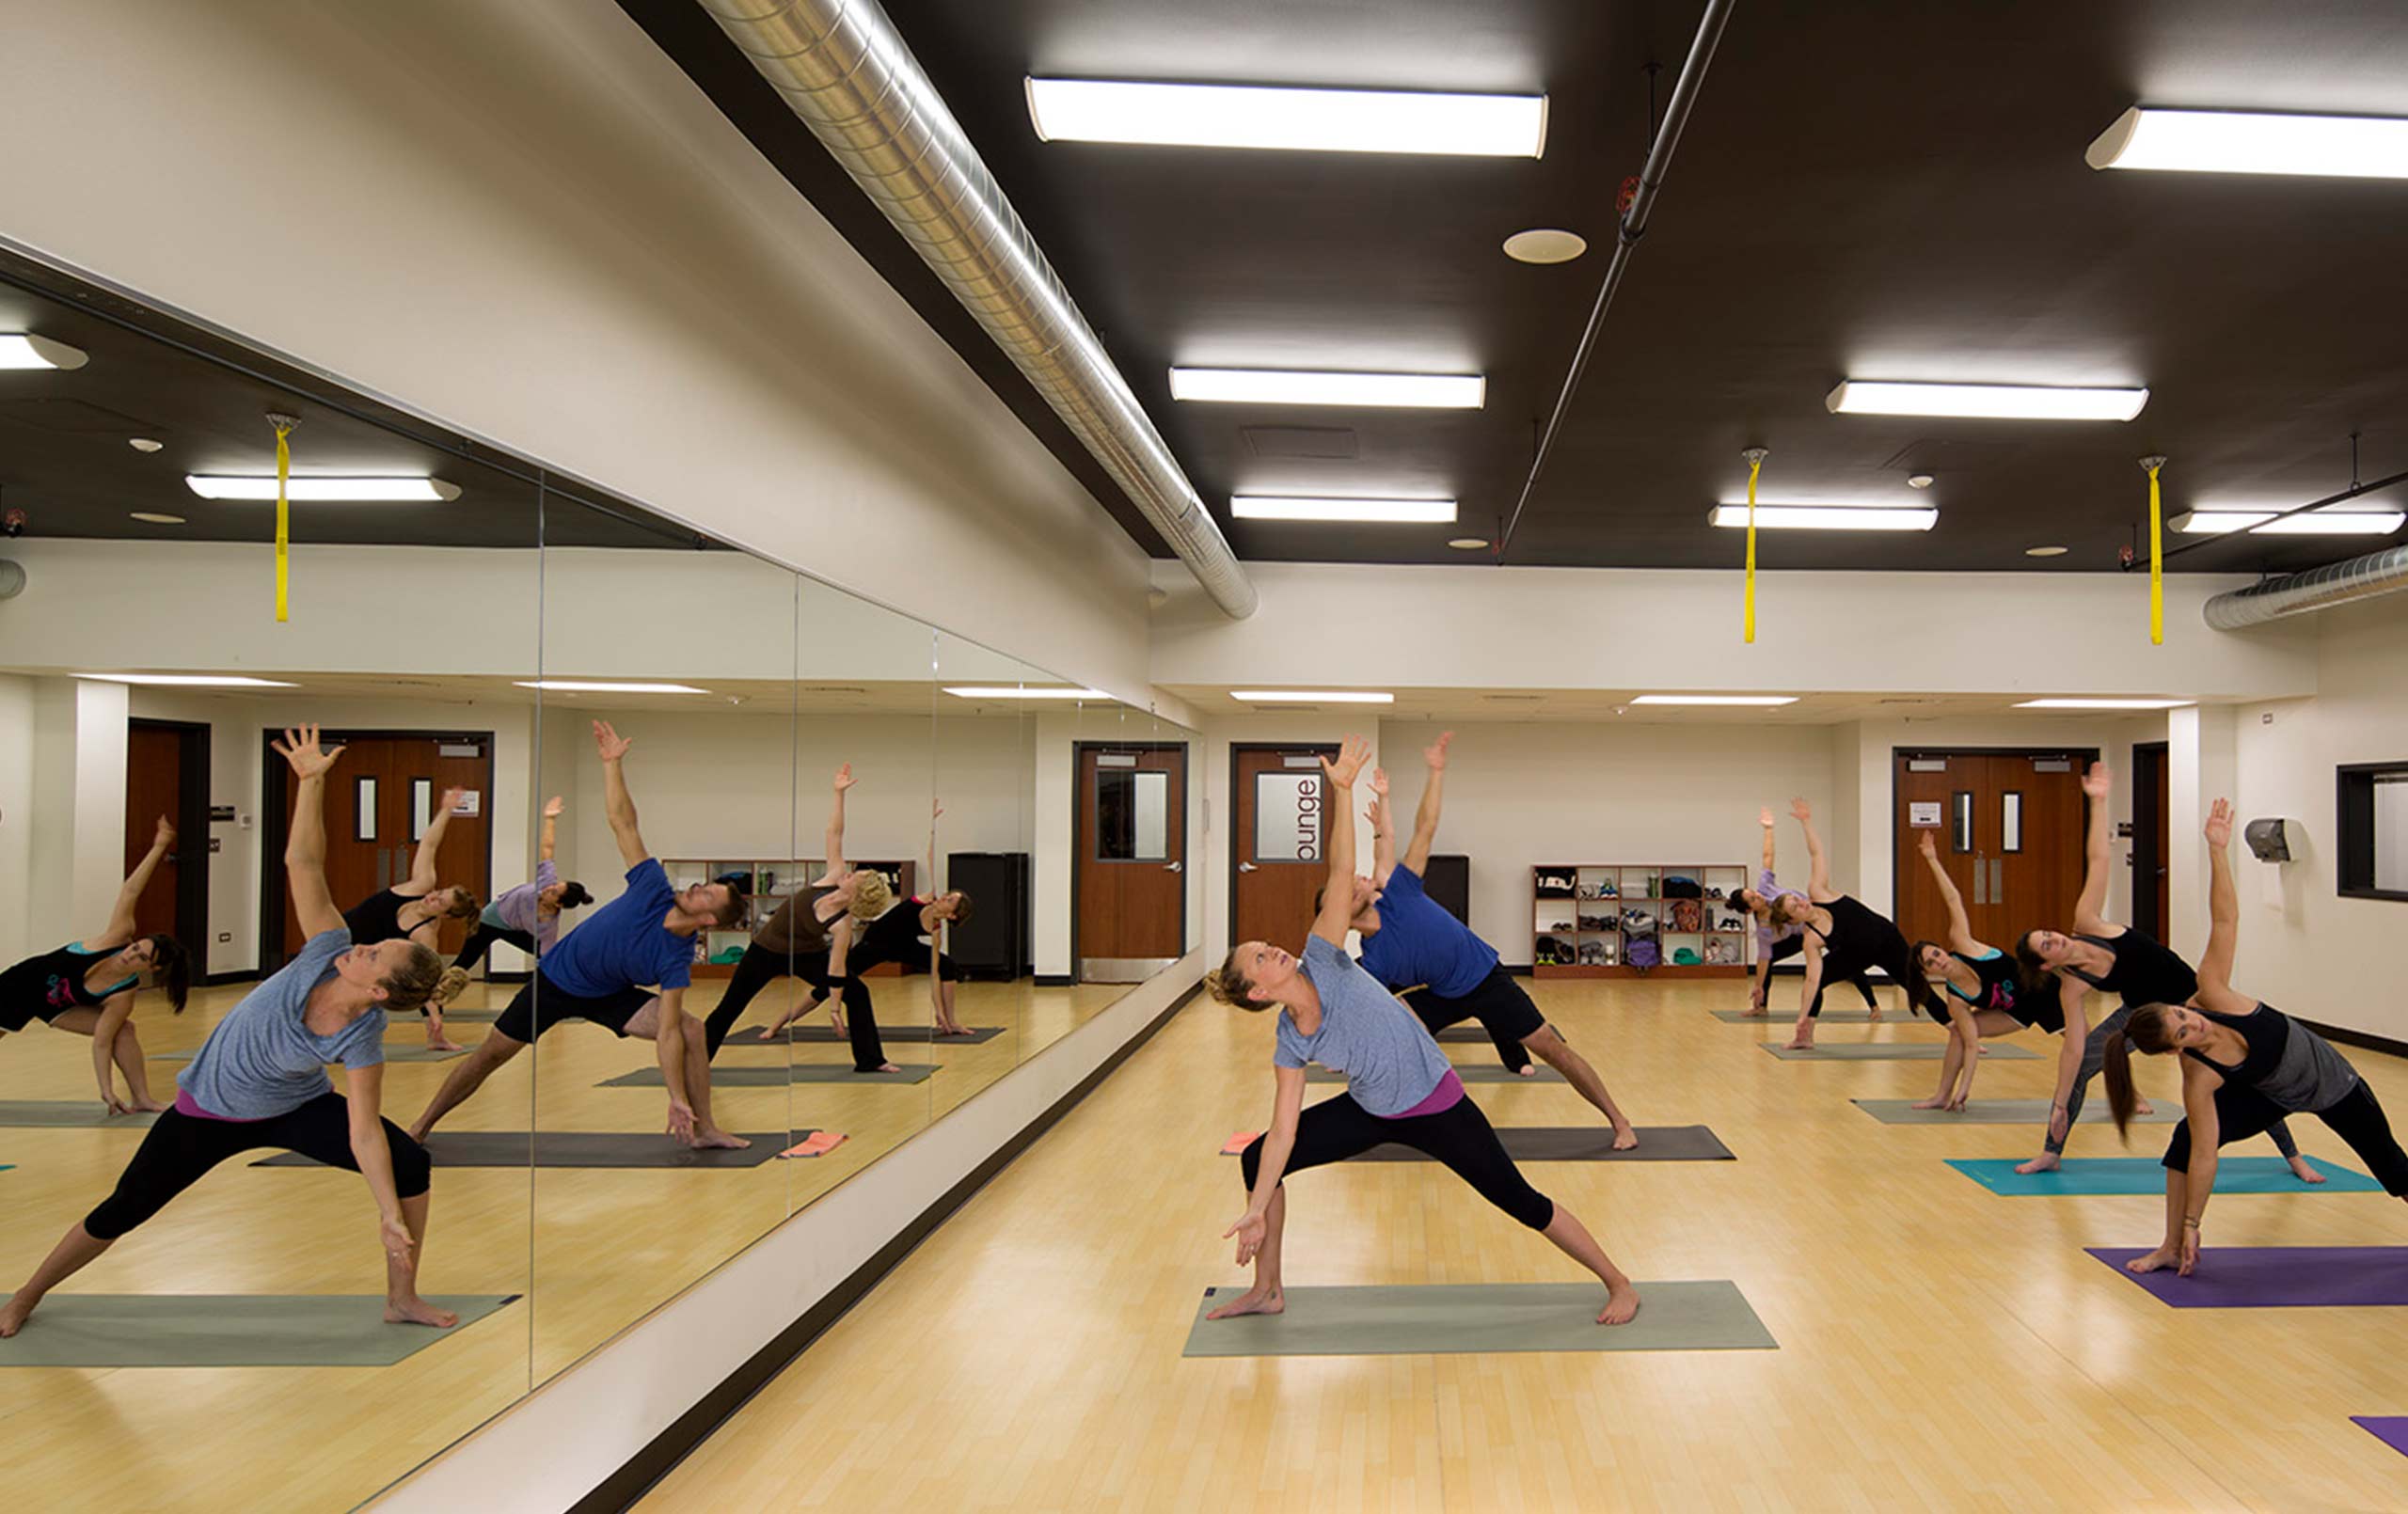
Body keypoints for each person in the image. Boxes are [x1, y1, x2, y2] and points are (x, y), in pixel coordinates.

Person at [0, 725, 452, 1339]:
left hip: (293, 1109)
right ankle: (26, 1295)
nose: (366, 945)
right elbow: (304, 861)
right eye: (374, 943)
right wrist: (312, 785)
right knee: (123, 1209)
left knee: (409, 1163)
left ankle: (402, 1295)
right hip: (205, 1113)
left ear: (378, 993)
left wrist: (386, 1213)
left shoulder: (361, 1039)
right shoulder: (326, 948)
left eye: (377, 955)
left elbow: (364, 1133)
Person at [1203, 735, 1641, 1328]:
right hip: (1372, 1109)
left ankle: (1619, 1282)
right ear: (1257, 992)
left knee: (1520, 1201)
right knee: (1258, 1158)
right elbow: (1283, 1130)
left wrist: (1342, 793)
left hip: (1437, 1105)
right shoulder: (1290, 1040)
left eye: (1266, 947)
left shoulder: (1325, 958)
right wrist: (1257, 1208)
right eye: (1260, 959)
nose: (1272, 951)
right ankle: (1268, 1288)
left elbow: (1338, 869)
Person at [408, 721, 751, 1148]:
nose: (696, 887)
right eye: (703, 884)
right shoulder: (653, 888)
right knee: (490, 1056)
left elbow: (667, 1032)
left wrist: (675, 1098)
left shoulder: (676, 959)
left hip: (609, 995)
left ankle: (704, 1128)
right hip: (555, 981)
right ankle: (420, 1126)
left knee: (691, 1029)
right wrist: (612, 765)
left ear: (710, 922)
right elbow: (623, 823)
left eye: (706, 894)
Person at [2104, 799, 2408, 1276]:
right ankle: (2167, 1246)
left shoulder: (2215, 995)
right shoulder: (2198, 1076)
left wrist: (2217, 851)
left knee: (2393, 1169)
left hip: (2331, 1083)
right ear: (2175, 1050)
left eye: (2184, 1014)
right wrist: (2192, 1224)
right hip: (2272, 1093)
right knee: (2186, 1139)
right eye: (2184, 1032)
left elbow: (2225, 921)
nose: (2196, 1022)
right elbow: (2206, 1154)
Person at [2009, 763, 2314, 1180]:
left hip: (2194, 1004)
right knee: (2081, 1071)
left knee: (2239, 1074)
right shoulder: (2073, 986)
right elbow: (2073, 1050)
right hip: (2144, 1015)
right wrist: (2061, 1102)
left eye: (2050, 933)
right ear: (2047, 963)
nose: (2056, 939)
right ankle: (2051, 1151)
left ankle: (2294, 1156)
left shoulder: (2089, 922)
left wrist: (2098, 802)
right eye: (2047, 945)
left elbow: (2098, 859)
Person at [1340, 733, 1640, 1148]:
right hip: (1446, 992)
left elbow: (1424, 828)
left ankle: (1619, 1120)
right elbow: (1357, 1002)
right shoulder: (1373, 961)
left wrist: (1436, 772)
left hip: (1486, 978)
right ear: (1344, 912)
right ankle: (1386, 1121)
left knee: (1551, 1049)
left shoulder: (1399, 893)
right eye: (1346, 886)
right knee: (1393, 1028)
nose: (1354, 879)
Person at [0, 814, 192, 1115]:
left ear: (151, 970)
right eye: (135, 948)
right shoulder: (115, 937)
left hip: (57, 1007)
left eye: (141, 958)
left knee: (124, 1030)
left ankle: (141, 1097)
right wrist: (159, 846)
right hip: (20, 986)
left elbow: (103, 1042)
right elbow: (130, 890)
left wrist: (106, 1090)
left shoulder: (122, 995)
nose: (130, 955)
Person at [706, 765, 889, 1062]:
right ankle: (697, 1062)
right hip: (766, 949)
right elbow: (834, 832)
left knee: (858, 993)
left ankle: (872, 1060)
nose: (853, 872)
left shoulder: (842, 924)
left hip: (806, 955)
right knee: (730, 1006)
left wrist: (833, 1008)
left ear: (858, 892)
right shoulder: (833, 876)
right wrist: (838, 794)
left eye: (860, 875)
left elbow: (836, 970)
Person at [1907, 828, 2067, 1111]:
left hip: (2044, 990)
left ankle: (2134, 1093)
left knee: (2089, 1044)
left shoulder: (1963, 945)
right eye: (1931, 963)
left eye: (1936, 953)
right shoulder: (1956, 999)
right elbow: (1970, 1044)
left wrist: (1932, 859)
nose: (1938, 961)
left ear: (1943, 949)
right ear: (1929, 973)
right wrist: (1964, 1090)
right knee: (1958, 1032)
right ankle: (1943, 1095)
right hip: (2015, 1011)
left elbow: (1953, 899)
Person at [1767, 798, 1943, 1049]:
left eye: (1797, 899)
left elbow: (1816, 854)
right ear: (1793, 920)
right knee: (1818, 978)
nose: (1802, 903)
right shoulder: (1811, 939)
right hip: (1857, 954)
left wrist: (1806, 822)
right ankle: (1804, 1036)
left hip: (1886, 940)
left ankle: (1960, 1031)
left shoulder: (1819, 892)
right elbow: (1811, 982)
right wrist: (1801, 1018)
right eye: (1795, 907)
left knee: (1917, 987)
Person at [341, 785, 482, 1052]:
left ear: (446, 915)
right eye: (439, 892)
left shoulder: (425, 934)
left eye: (440, 901)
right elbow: (429, 843)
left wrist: (435, 1021)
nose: (432, 897)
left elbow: (426, 979)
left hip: (355, 954)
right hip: (338, 929)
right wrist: (446, 810)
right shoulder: (421, 884)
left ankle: (435, 1040)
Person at [435, 795, 592, 999]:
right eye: (554, 885)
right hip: (490, 920)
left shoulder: (547, 926)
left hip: (513, 929)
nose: (548, 889)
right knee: (465, 961)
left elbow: (546, 955)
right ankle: (435, 993)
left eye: (554, 892)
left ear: (559, 904)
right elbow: (548, 849)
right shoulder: (546, 880)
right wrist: (550, 820)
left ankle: (561, 993)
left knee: (551, 957)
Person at [1733, 805, 1881, 1019]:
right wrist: (1758, 986)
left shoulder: (1765, 887)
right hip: (1799, 935)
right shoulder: (1764, 925)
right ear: (1749, 910)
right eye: (1753, 899)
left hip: (1817, 924)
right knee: (1770, 959)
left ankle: (1874, 1006)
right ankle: (1761, 1006)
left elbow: (1767, 856)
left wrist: (1768, 829)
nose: (1758, 895)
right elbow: (1764, 958)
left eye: (1754, 892)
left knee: (1846, 958)